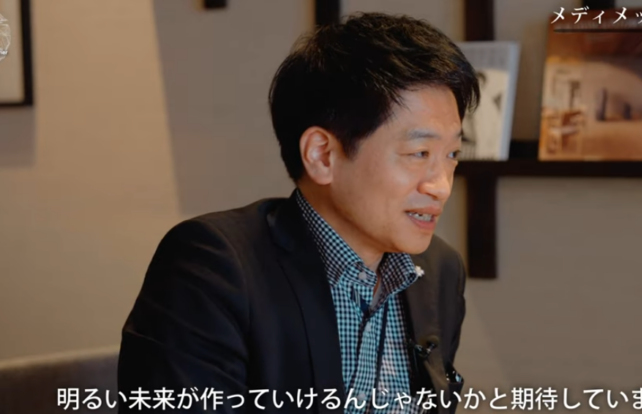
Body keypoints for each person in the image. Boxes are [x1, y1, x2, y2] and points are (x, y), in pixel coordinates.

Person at [117, 12, 478, 414]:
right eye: (419, 153)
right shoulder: (214, 267)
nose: (441, 185)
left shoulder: (439, 270)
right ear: (322, 155)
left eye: (452, 155)